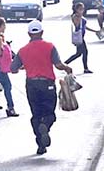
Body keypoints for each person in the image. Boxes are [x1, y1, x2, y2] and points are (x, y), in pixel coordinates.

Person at [10, 21, 73, 156]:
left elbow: (13, 69)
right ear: (42, 32)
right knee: (50, 114)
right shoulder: (50, 47)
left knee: (36, 115)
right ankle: (46, 125)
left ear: (29, 34)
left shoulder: (22, 50)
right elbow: (58, 64)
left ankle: (40, 145)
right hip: (48, 84)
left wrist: (24, 66)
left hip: (31, 85)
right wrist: (67, 68)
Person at [65, 2, 92, 73]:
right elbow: (77, 25)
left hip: (82, 36)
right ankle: (85, 68)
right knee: (84, 52)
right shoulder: (75, 17)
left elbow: (84, 27)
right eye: (80, 9)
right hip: (79, 37)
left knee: (78, 53)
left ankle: (65, 63)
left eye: (83, 9)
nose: (82, 10)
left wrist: (94, 31)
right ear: (76, 9)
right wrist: (80, 16)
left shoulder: (81, 17)